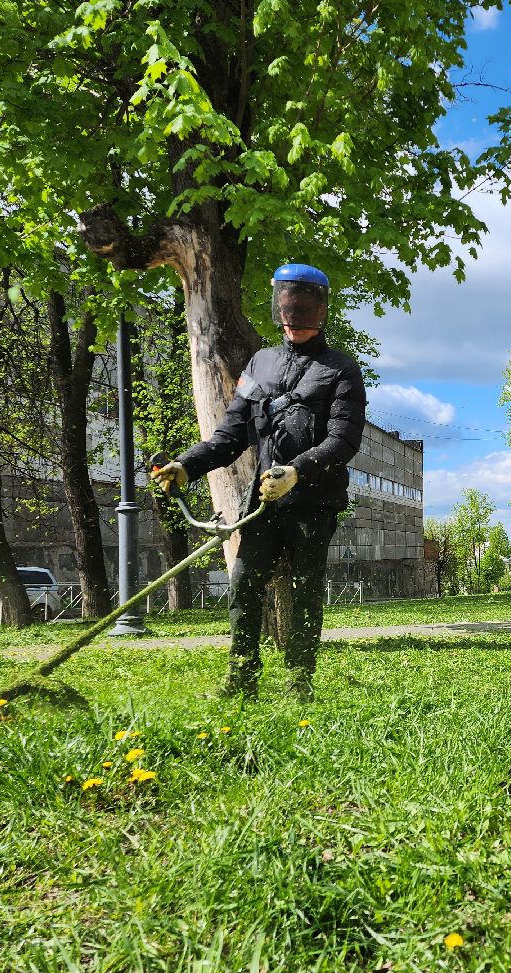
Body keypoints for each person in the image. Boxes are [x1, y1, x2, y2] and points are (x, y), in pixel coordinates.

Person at [152, 263, 367, 699]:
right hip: (264, 503)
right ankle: (241, 676)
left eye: (304, 308)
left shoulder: (342, 369)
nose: (294, 317)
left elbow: (343, 440)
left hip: (315, 503)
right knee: (244, 583)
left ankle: (298, 681)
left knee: (306, 591)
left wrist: (297, 471)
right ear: (278, 307)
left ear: (321, 310)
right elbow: (229, 436)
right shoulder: (260, 364)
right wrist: (187, 465)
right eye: (288, 307)